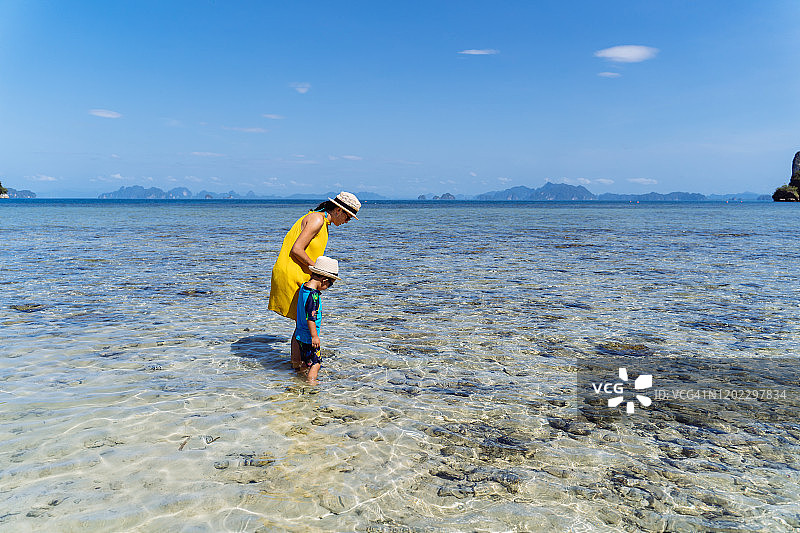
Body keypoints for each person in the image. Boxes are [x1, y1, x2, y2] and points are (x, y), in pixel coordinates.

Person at [268, 191, 360, 365]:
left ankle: (297, 366)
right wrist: (320, 270)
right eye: (348, 217)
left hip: (299, 271)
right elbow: (297, 249)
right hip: (292, 272)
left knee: (301, 325)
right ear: (338, 210)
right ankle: (299, 366)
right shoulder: (318, 220)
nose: (347, 221)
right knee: (301, 325)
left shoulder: (322, 221)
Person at [293, 256, 340, 384]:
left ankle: (299, 381)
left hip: (300, 335)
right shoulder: (313, 295)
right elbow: (311, 318)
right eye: (330, 284)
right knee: (316, 363)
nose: (329, 287)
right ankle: (311, 384)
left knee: (305, 362)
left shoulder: (304, 287)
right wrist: (314, 337)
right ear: (324, 280)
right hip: (309, 337)